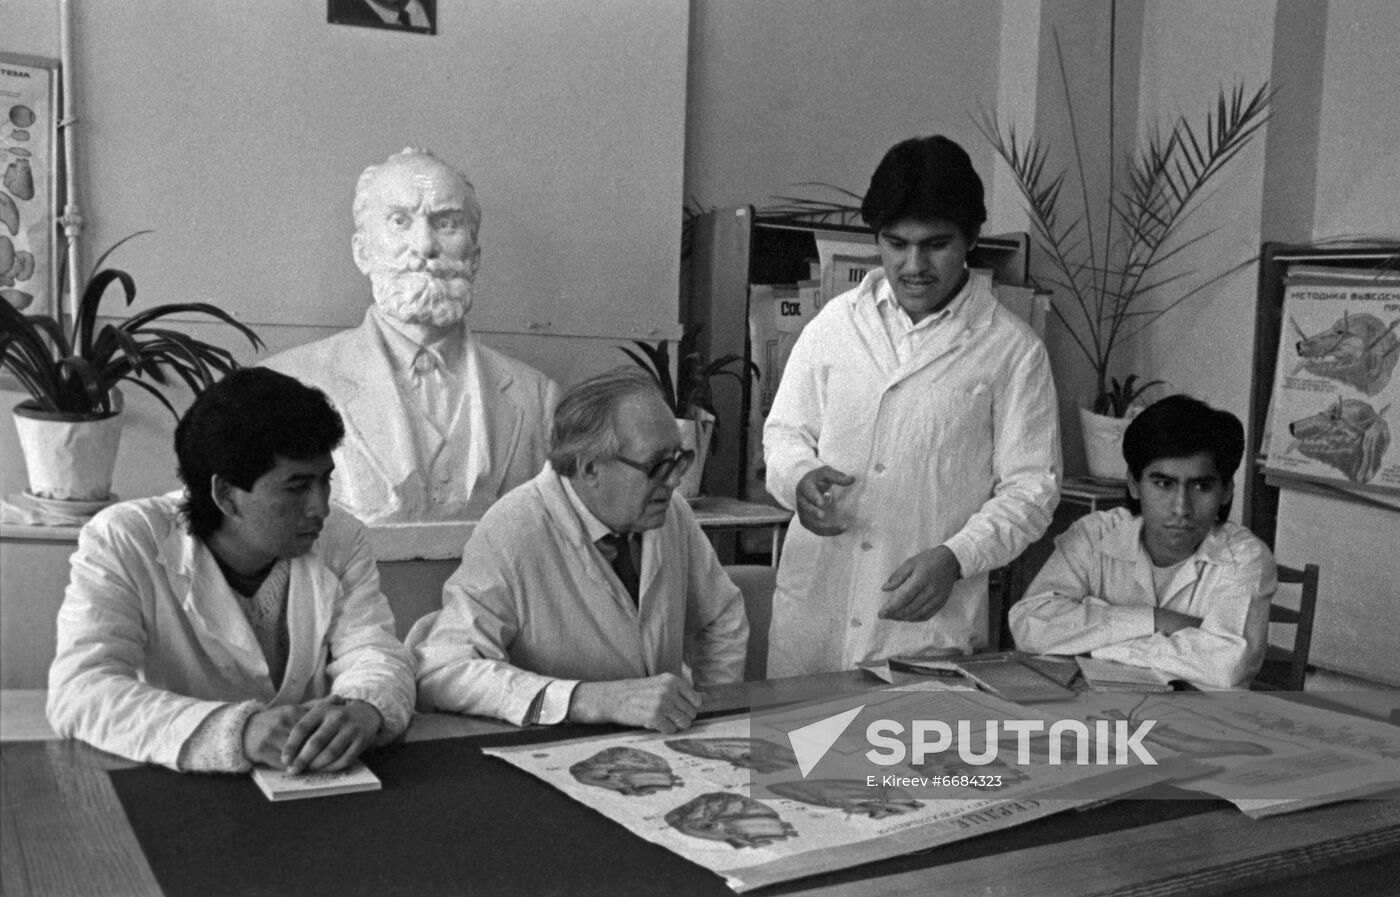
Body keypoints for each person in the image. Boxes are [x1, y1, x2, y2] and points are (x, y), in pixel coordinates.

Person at [762, 135, 1060, 675]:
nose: (914, 264)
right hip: (816, 610)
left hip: (924, 625)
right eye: (896, 244)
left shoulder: (1012, 350)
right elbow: (784, 433)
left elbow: (1031, 490)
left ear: (971, 239)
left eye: (935, 244)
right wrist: (799, 477)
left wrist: (957, 557)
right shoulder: (835, 324)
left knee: (901, 733)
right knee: (798, 730)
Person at [47, 368, 416, 773]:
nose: (320, 507)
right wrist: (238, 732)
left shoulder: (341, 538)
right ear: (225, 494)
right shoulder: (125, 538)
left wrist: (365, 707)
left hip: (313, 781)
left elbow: (374, 651)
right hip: (177, 785)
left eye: (324, 481)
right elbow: (80, 691)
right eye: (297, 487)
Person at [408, 367, 748, 731]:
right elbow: (445, 669)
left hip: (662, 744)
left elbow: (721, 616)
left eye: (680, 459)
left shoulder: (671, 513)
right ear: (589, 469)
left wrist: (710, 712)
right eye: (657, 465)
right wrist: (585, 699)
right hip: (553, 746)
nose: (676, 479)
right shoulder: (514, 528)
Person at [264, 148, 559, 525]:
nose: (425, 246)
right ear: (363, 252)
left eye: (447, 223)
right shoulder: (286, 384)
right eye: (400, 221)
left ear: (474, 256)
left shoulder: (537, 399)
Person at [1009, 395, 1277, 689]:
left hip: (1196, 715)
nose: (1181, 507)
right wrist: (1156, 620)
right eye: (1163, 484)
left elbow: (1227, 666)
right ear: (1134, 485)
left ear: (1226, 491)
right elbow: (1028, 625)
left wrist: (1096, 643)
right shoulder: (1094, 535)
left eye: (1201, 486)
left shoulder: (1245, 557)